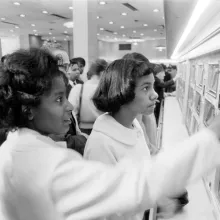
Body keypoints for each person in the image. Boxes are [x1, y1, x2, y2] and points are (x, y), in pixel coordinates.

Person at [1, 48, 220, 220]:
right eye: (58, 100)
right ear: (28, 109)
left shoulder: (17, 149)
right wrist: (211, 136)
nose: (69, 106)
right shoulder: (43, 165)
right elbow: (130, 187)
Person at [83, 59, 180, 220]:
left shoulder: (134, 125)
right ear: (123, 92)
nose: (154, 94)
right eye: (145, 88)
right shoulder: (101, 144)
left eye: (153, 85)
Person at [68, 59, 108, 135]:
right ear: (102, 73)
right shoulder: (107, 90)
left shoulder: (78, 88)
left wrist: (77, 132)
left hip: (82, 130)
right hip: (104, 131)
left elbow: (71, 112)